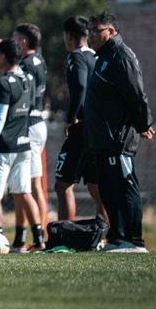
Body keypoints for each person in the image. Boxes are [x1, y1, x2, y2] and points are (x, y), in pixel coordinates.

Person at [84, 11, 154, 253]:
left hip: (118, 138)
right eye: (89, 31)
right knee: (108, 189)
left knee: (125, 186)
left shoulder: (121, 56)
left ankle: (134, 240)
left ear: (111, 32)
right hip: (102, 139)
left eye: (96, 31)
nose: (90, 35)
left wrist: (144, 124)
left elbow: (136, 94)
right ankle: (117, 237)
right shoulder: (103, 56)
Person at [0, 39, 45, 251]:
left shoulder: (2, 83)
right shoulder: (29, 79)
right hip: (23, 146)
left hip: (2, 148)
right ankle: (40, 240)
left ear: (2, 56)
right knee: (24, 192)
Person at [54, 15, 105, 222]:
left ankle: (64, 235)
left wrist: (71, 117)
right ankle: (106, 236)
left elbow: (81, 86)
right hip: (97, 128)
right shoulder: (97, 56)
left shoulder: (76, 56)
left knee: (63, 185)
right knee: (95, 185)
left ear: (69, 35)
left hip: (81, 128)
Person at [13, 22, 49, 248]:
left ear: (23, 41)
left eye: (14, 38)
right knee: (29, 185)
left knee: (30, 186)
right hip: (39, 123)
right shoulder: (40, 61)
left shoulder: (25, 64)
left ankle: (40, 238)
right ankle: (26, 238)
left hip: (30, 124)